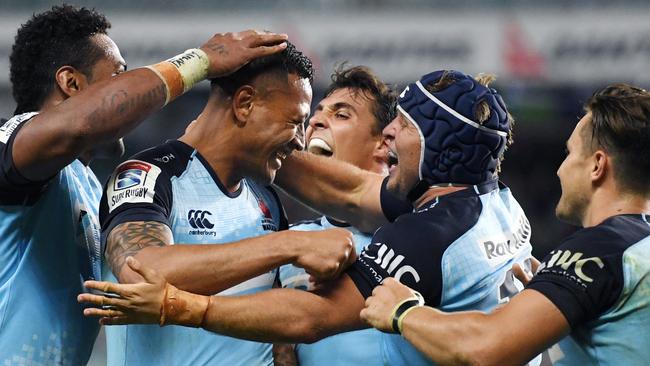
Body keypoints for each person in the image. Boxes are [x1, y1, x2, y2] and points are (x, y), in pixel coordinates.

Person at [80, 69, 539, 365]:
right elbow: (351, 192)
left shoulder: (428, 232)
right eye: (304, 116)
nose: (308, 130)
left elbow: (313, 317)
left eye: (334, 115)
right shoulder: (494, 204)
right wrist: (222, 138)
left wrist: (182, 307)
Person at [0, 4, 290, 365]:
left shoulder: (87, 186)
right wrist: (200, 61)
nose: (132, 86)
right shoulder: (13, 142)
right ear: (71, 83)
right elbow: (75, 126)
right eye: (119, 75)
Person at [96, 43, 357, 366]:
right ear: (245, 103)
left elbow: (278, 341)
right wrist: (289, 244)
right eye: (295, 121)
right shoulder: (149, 176)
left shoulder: (266, 201)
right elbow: (142, 273)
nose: (300, 140)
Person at [359, 83, 650, 365]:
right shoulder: (637, 247)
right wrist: (553, 293)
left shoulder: (599, 250)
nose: (561, 170)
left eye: (570, 153)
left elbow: (486, 349)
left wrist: (403, 312)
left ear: (597, 166)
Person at [273, 65, 396, 366]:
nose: (314, 121)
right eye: (317, 113)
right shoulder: (290, 242)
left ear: (384, 143)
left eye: (341, 115)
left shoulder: (420, 226)